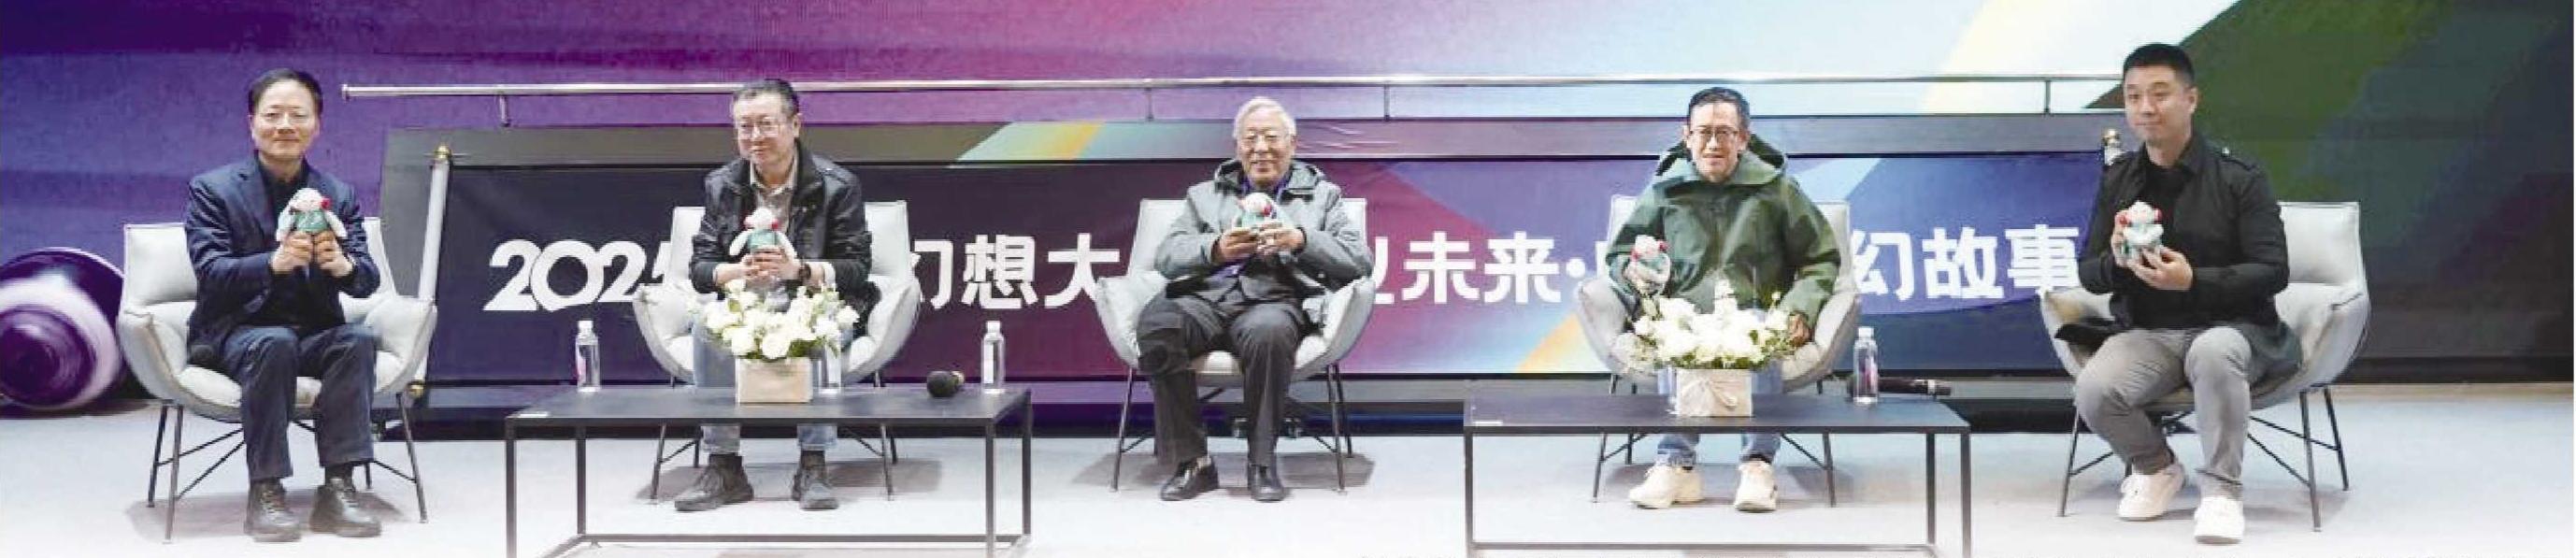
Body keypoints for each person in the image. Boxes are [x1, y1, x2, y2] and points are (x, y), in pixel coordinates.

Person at [2070, 43, 2297, 545]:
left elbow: (2273, 270)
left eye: (2160, 94)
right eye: (2133, 96)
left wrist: (2194, 280)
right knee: (2094, 390)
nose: (2145, 108)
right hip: (2150, 331)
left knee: (2214, 352)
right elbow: (2089, 272)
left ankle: (2222, 494)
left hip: (2233, 327)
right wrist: (2117, 262)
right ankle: (2156, 467)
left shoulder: (2239, 178)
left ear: (2191, 99)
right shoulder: (2119, 178)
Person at [1594, 86, 1840, 512]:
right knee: (1673, 333)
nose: (1712, 144)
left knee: (1761, 333)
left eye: (1724, 133)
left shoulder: (1777, 190)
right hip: (1684, 312)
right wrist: (1633, 271)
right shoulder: (1664, 191)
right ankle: (1675, 465)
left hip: (1754, 312)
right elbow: (1619, 256)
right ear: (1686, 136)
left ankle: (1758, 464)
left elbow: (1820, 258)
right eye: (1703, 132)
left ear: (1743, 138)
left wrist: (1798, 308)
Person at [184, 67, 385, 541]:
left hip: (312, 331)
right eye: (273, 115)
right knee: (273, 342)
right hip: (238, 332)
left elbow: (367, 279)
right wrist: (271, 264)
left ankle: (339, 488)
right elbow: (211, 273)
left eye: (298, 115)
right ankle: (266, 490)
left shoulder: (336, 194)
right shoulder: (213, 190)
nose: (285, 126)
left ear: (317, 126)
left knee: (357, 340)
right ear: (252, 123)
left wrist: (343, 267)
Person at [1138, 97, 1370, 503]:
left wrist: (1300, 239)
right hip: (1206, 298)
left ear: (1292, 144)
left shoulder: (1322, 196)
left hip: (1275, 298)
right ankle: (1193, 462)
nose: (1261, 148)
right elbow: (1167, 256)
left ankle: (1261, 462)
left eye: (1271, 138)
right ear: (1238, 147)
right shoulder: (1203, 195)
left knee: (1269, 333)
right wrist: (1215, 248)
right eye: (1251, 139)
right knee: (1159, 326)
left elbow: (1358, 260)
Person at [672, 79, 880, 512]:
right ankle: (724, 466)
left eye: (766, 124)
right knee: (706, 329)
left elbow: (857, 268)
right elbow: (700, 269)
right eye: (744, 127)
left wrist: (798, 270)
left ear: (795, 125)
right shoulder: (721, 184)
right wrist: (737, 271)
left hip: (811, 301)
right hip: (749, 306)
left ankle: (813, 465)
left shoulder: (837, 185)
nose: (754, 137)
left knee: (818, 332)